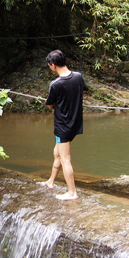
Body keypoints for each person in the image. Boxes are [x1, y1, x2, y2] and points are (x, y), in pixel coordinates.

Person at [41, 49, 87, 200]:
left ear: (53, 65)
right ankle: (50, 181)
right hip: (75, 123)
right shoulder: (78, 77)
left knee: (65, 158)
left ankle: (72, 192)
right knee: (57, 153)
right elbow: (82, 91)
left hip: (63, 126)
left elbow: (51, 106)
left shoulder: (55, 84)